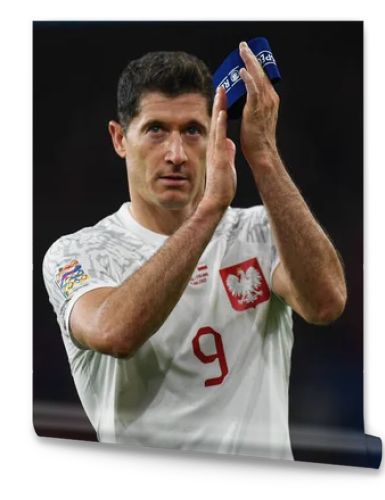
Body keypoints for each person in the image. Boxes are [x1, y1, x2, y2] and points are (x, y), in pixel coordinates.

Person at [43, 42, 347, 460]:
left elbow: (327, 302)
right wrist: (208, 212)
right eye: (155, 130)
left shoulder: (259, 229)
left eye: (192, 130)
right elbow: (114, 333)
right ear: (119, 138)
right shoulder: (78, 253)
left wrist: (264, 157)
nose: (176, 154)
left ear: (215, 135)